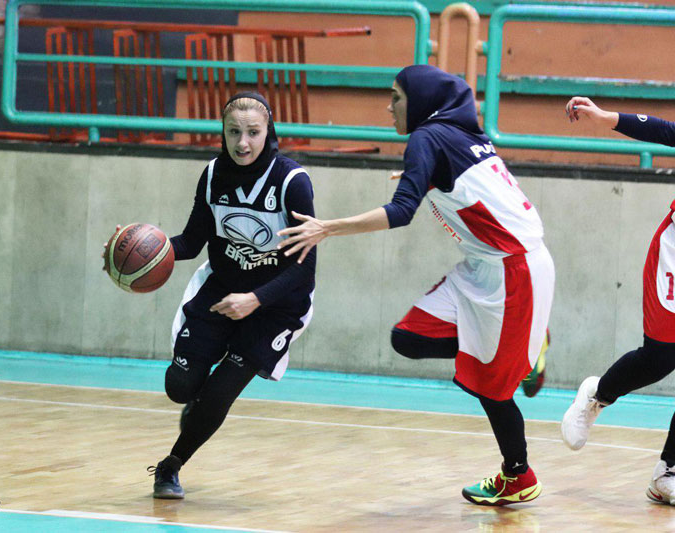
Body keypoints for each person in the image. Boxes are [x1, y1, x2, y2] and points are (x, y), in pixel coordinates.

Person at [278, 65, 554, 506]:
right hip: (486, 265)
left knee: (490, 383)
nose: (389, 107)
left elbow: (403, 211)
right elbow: (453, 180)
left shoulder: (427, 137)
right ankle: (521, 348)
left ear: (421, 101)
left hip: (514, 272)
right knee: (408, 337)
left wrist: (328, 227)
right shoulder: (456, 133)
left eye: (396, 98)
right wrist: (419, 177)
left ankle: (518, 475)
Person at [107, 92, 316, 499]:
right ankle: (197, 401)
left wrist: (255, 299)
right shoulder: (213, 174)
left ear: (267, 132)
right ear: (222, 132)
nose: (243, 143)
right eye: (234, 132)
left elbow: (304, 268)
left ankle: (169, 467)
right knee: (180, 388)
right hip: (222, 289)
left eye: (253, 133)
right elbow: (192, 240)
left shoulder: (293, 182)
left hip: (278, 303)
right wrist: (139, 249)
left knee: (221, 392)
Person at [561, 96, 675, 507]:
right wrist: (604, 117)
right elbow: (665, 130)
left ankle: (666, 474)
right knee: (661, 360)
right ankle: (597, 394)